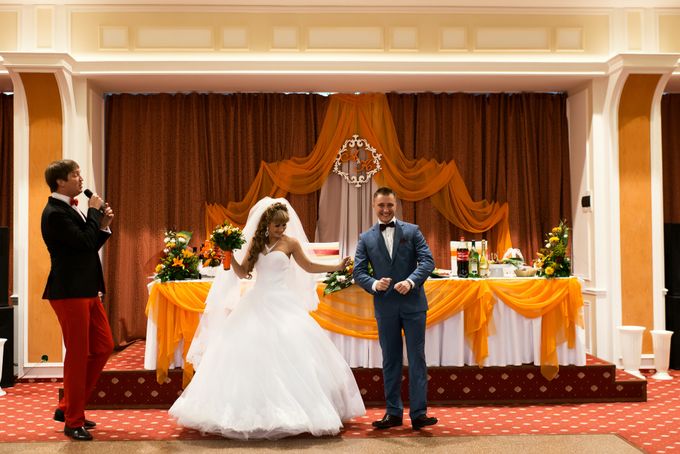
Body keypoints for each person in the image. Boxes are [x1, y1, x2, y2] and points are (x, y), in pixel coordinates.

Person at [170, 198, 365, 439]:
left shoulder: (291, 243)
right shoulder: (256, 242)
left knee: (293, 352)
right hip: (256, 301)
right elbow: (243, 273)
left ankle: (301, 410)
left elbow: (308, 265)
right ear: (267, 224)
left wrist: (336, 266)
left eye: (283, 225)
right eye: (277, 225)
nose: (281, 229)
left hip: (282, 303)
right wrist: (229, 256)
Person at [40, 159, 115, 441]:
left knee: (104, 346)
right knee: (78, 355)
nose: (80, 179)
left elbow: (86, 246)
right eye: (75, 175)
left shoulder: (70, 209)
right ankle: (73, 421)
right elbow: (83, 243)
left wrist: (102, 226)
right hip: (69, 292)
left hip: (86, 289)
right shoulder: (54, 213)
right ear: (60, 181)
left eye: (80, 174)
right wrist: (94, 212)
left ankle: (67, 406)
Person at [353, 187, 437, 430]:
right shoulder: (365, 238)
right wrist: (374, 284)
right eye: (381, 205)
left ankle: (419, 414)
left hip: (413, 305)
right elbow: (358, 272)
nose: (385, 209)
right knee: (390, 360)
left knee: (417, 358)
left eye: (389, 205)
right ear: (374, 206)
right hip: (385, 306)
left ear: (396, 205)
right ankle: (393, 413)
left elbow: (427, 261)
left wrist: (410, 281)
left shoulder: (412, 231)